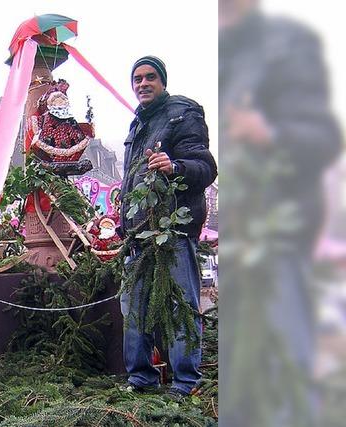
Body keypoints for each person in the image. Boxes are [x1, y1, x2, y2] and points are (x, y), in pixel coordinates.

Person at [219, 1, 342, 425]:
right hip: (242, 237)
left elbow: (322, 137)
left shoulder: (288, 50)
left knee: (288, 346)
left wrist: (268, 133)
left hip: (283, 233)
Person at [118, 55, 217, 398]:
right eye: (137, 79)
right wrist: (122, 228)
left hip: (172, 231)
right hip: (138, 236)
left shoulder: (182, 115)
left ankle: (185, 381)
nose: (142, 84)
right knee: (135, 308)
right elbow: (130, 184)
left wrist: (174, 167)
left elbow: (205, 168)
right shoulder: (137, 126)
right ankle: (140, 377)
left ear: (162, 82)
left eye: (150, 78)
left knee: (180, 307)